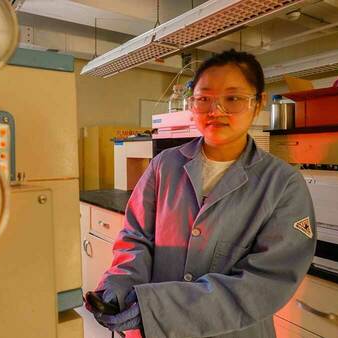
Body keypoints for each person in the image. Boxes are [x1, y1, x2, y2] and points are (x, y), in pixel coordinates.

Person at [84, 49, 317, 338]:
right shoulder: (164, 166)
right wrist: (119, 283)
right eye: (204, 99)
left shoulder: (283, 185)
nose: (216, 110)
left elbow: (265, 283)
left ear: (258, 104)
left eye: (232, 98)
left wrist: (158, 309)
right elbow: (136, 238)